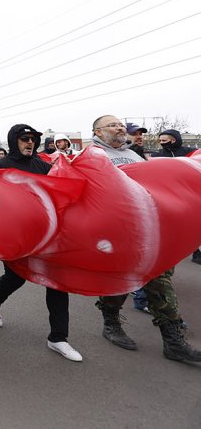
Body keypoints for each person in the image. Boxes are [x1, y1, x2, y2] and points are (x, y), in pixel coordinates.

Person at [89, 115, 201, 362]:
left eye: (120, 124)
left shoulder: (134, 154)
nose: (119, 127)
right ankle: (111, 323)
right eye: (112, 125)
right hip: (116, 229)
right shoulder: (91, 156)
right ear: (97, 131)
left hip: (148, 227)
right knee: (121, 280)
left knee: (158, 276)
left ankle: (172, 341)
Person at [0, 124, 81, 362]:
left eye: (33, 139)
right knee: (16, 277)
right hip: (16, 235)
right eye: (24, 139)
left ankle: (58, 338)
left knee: (58, 282)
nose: (29, 143)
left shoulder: (43, 166)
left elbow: (63, 188)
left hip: (47, 233)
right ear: (14, 140)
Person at [151, 128, 201, 265]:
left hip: (190, 191)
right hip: (169, 193)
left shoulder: (189, 152)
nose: (162, 143)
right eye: (160, 141)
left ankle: (196, 250)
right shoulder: (157, 155)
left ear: (174, 140)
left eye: (165, 140)